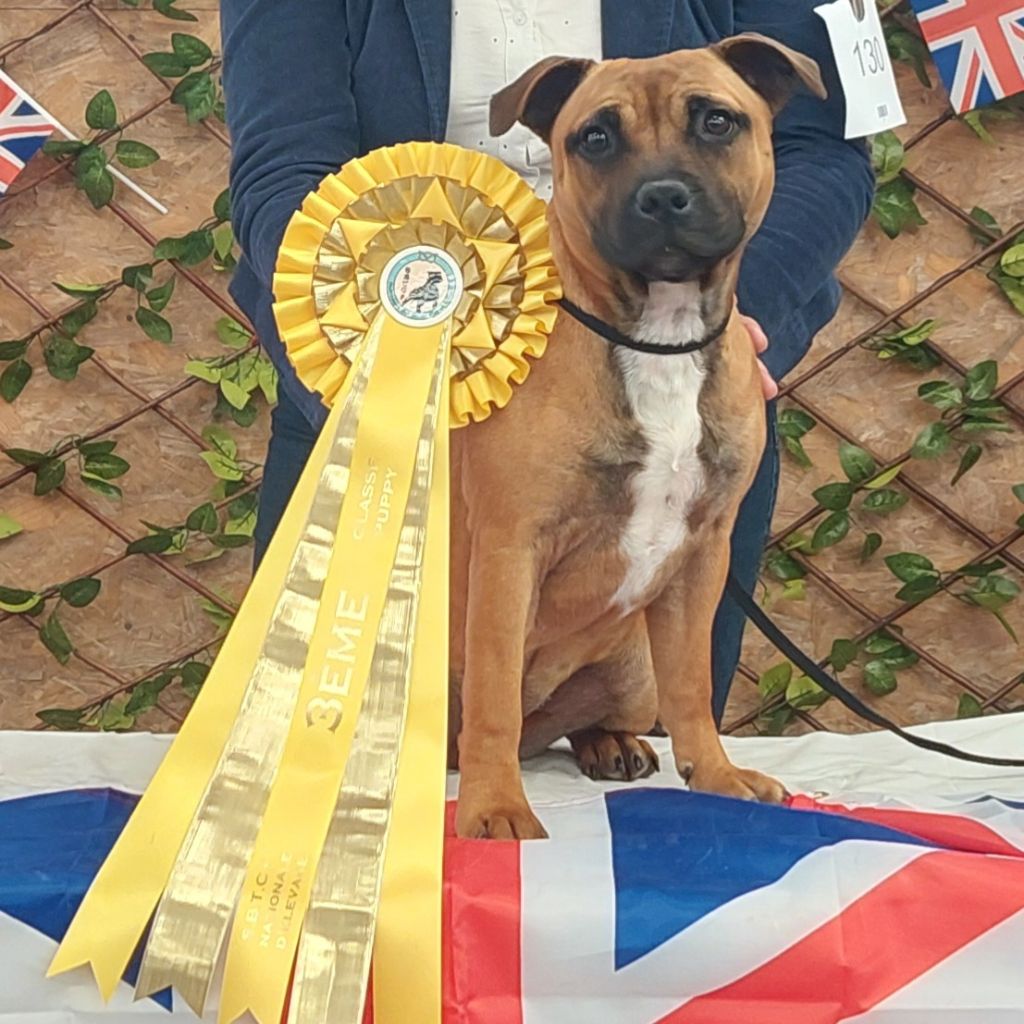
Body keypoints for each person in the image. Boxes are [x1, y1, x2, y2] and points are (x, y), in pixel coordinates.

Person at [220, 0, 874, 725]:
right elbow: (284, 162)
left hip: (681, 388)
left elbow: (828, 149)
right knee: (326, 787)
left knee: (656, 793)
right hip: (391, 406)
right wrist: (370, 368)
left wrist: (722, 321)